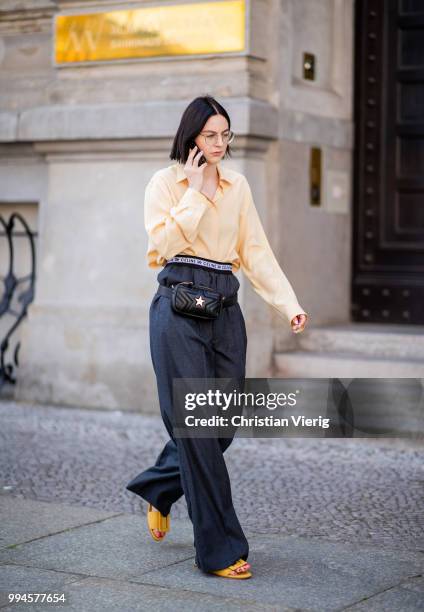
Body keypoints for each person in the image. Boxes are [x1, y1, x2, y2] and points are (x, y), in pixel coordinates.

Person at [126, 95, 308, 580]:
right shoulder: (164, 183)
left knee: (220, 425)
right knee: (199, 431)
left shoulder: (239, 186)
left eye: (226, 134)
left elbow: (255, 251)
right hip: (178, 309)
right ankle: (222, 549)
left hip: (225, 311)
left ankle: (159, 487)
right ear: (191, 137)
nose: (221, 144)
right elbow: (160, 246)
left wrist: (288, 303)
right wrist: (194, 191)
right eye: (211, 135)